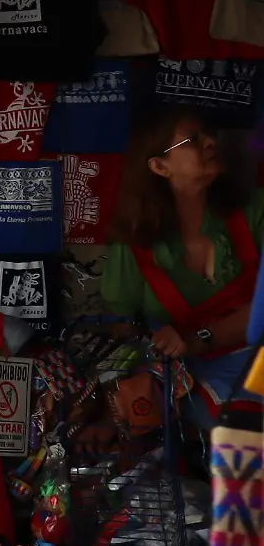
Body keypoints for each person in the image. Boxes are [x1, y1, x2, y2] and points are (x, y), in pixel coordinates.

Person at [105, 108, 264, 427]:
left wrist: (197, 337)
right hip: (192, 385)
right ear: (159, 166)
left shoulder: (254, 212)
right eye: (193, 140)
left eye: (207, 135)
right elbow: (121, 329)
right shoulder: (136, 247)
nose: (210, 142)